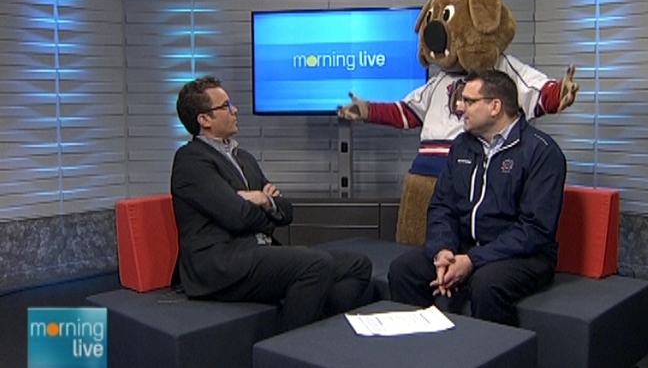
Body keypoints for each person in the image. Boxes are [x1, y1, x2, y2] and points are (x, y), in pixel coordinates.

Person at [170, 75, 372, 332]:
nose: (235, 110)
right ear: (204, 119)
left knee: (358, 265)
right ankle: (290, 351)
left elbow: (286, 211)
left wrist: (264, 200)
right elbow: (237, 216)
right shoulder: (191, 160)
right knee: (315, 265)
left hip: (258, 253)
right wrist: (265, 207)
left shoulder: (243, 157)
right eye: (225, 106)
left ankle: (309, 329)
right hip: (221, 265)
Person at [388, 68, 567, 326]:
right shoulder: (462, 145)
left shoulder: (541, 152)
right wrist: (443, 250)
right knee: (405, 270)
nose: (460, 107)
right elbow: (442, 206)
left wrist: (473, 260)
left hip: (522, 256)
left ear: (495, 106)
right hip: (464, 247)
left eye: (469, 101)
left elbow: (535, 230)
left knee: (487, 285)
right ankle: (420, 351)